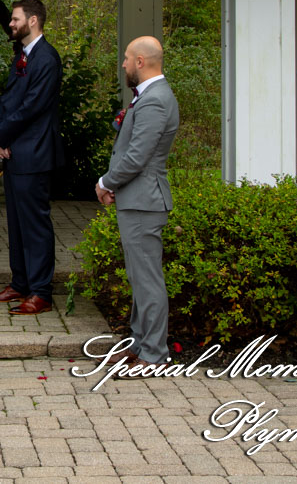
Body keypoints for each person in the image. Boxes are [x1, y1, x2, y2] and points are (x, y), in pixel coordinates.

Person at [95, 36, 179, 367]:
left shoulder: (155, 100)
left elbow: (136, 157)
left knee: (147, 280)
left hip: (145, 202)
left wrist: (104, 182)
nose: (124, 64)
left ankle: (155, 356)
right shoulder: (149, 96)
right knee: (138, 277)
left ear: (141, 62)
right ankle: (140, 345)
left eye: (128, 59)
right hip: (137, 199)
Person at [0, 0, 66, 316]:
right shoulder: (22, 54)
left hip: (35, 152)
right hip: (15, 150)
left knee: (35, 225)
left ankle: (41, 292)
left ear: (33, 21)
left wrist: (1, 136)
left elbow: (33, 106)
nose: (11, 24)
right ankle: (19, 283)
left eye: (15, 19)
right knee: (16, 224)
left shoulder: (47, 58)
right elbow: (9, 99)